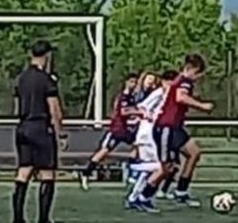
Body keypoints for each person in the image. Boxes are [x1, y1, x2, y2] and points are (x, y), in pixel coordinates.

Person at [142, 53, 213, 208]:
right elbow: (180, 97)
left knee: (194, 153)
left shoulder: (179, 81)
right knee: (167, 168)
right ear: (191, 69)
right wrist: (202, 106)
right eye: (198, 73)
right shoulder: (184, 81)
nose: (198, 78)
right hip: (166, 127)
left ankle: (181, 191)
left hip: (174, 127)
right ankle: (142, 196)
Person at [10, 40, 67, 223]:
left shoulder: (21, 78)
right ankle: (43, 220)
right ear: (47, 56)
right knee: (47, 173)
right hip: (41, 128)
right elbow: (54, 108)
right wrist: (61, 133)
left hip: (23, 127)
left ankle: (18, 220)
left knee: (23, 172)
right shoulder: (47, 79)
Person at [79, 73, 141, 190]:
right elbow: (123, 112)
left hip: (127, 130)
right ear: (126, 82)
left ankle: (130, 172)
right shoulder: (123, 96)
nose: (134, 84)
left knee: (138, 147)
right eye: (132, 82)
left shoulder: (132, 97)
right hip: (117, 130)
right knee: (104, 151)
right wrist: (138, 112)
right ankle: (86, 173)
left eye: (135, 82)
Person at [126, 70, 173, 212]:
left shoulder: (167, 95)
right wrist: (148, 115)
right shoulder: (159, 93)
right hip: (147, 134)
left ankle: (134, 198)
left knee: (151, 170)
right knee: (158, 166)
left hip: (152, 134)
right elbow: (141, 107)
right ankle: (132, 168)